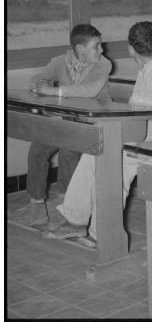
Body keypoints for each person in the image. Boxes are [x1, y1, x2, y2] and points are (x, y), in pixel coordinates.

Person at [45, 21, 152, 242]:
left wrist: (133, 132)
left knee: (113, 165)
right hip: (138, 137)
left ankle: (104, 235)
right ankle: (76, 221)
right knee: (93, 154)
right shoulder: (145, 72)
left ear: (130, 50)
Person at [12, 24, 112, 228]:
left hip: (93, 122)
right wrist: (38, 85)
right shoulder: (60, 61)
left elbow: (90, 91)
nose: (101, 51)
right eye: (97, 46)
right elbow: (37, 79)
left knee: (69, 150)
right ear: (79, 49)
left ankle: (68, 206)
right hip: (66, 120)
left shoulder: (103, 64)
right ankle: (37, 206)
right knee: (37, 150)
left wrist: (54, 92)